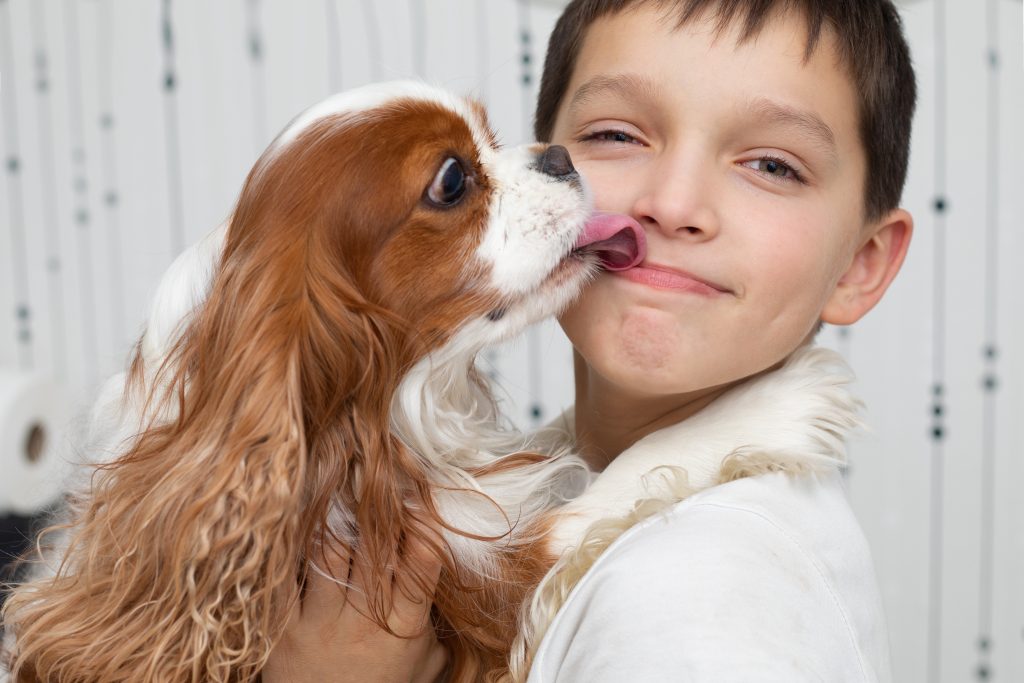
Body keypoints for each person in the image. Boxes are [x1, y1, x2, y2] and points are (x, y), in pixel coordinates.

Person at [265, 0, 915, 680]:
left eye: (773, 165)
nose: (673, 202)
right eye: (617, 135)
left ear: (862, 263)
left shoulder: (696, 595)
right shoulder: (540, 493)